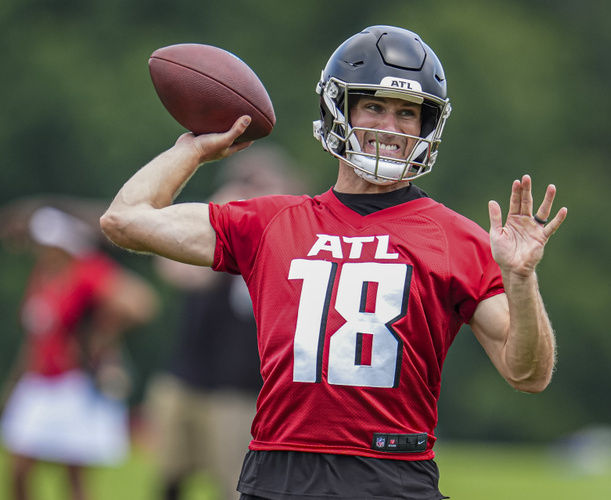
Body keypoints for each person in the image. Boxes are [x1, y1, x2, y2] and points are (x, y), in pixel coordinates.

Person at [101, 25, 567, 499]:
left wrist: (521, 279)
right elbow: (126, 219)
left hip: (393, 476)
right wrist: (193, 150)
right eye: (374, 106)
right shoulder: (272, 222)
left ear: (427, 126)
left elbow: (527, 373)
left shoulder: (455, 238)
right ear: (338, 110)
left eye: (407, 112)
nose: (390, 126)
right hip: (278, 475)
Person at [145, 146, 304, 500]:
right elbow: (176, 271)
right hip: (186, 377)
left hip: (240, 390)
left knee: (234, 485)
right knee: (169, 476)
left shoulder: (291, 243)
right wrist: (225, 208)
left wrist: (269, 210)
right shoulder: (216, 235)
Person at [0, 203, 158, 500]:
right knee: (18, 469)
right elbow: (34, 338)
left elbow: (140, 304)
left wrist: (102, 331)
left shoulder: (86, 272)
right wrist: (14, 383)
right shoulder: (43, 277)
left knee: (73, 475)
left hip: (72, 383)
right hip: (39, 381)